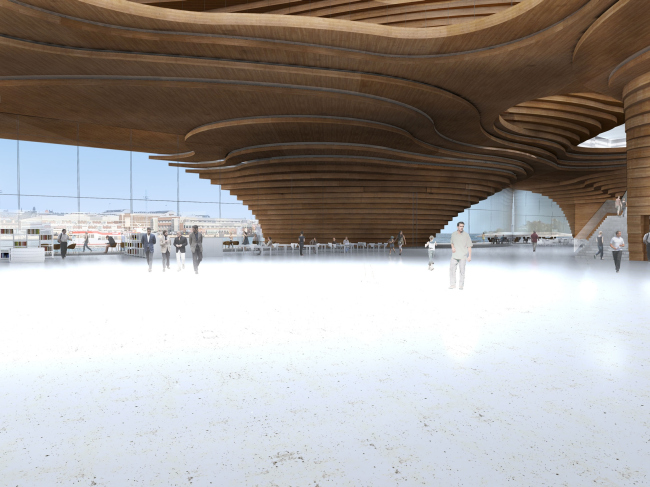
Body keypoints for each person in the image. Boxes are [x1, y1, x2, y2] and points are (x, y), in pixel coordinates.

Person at [449, 222, 472, 290]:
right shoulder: (453, 234)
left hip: (463, 256)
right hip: (454, 256)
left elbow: (469, 246)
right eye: (460, 226)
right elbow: (452, 242)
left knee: (462, 271)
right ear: (457, 227)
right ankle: (452, 284)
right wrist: (452, 247)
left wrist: (469, 256)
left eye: (463, 226)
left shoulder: (466, 235)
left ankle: (461, 285)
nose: (461, 227)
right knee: (452, 270)